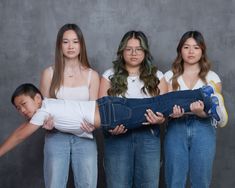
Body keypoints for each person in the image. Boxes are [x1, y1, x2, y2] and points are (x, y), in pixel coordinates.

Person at [0, 81, 224, 158]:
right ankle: (201, 93)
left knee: (159, 106)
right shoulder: (48, 108)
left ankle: (205, 98)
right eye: (17, 109)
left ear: (37, 98)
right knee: (158, 103)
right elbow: (25, 126)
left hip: (111, 113)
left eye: (24, 104)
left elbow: (21, 133)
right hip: (110, 108)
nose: (22, 110)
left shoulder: (43, 110)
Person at [164, 30, 228, 188]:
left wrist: (202, 113)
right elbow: (164, 108)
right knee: (174, 180)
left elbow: (213, 110)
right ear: (180, 50)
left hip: (204, 128)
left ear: (202, 51)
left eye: (196, 47)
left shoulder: (212, 78)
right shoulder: (168, 76)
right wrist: (172, 113)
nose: (191, 51)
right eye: (186, 47)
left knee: (201, 181)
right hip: (175, 127)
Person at [39, 23, 99, 188]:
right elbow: (43, 110)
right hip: (55, 137)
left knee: (87, 184)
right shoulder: (49, 74)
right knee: (54, 184)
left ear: (81, 44)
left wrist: (92, 126)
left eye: (75, 41)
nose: (71, 46)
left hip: (84, 138)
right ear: (59, 45)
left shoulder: (92, 76)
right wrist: (46, 123)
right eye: (65, 42)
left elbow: (95, 111)